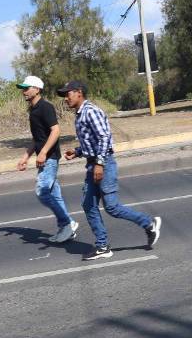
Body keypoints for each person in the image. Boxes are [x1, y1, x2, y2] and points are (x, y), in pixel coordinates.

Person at [58, 80, 161, 260]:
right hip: (93, 164)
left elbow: (105, 137)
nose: (66, 98)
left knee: (112, 207)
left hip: (103, 164)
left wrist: (99, 164)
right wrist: (77, 151)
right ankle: (103, 246)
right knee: (88, 205)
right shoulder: (81, 114)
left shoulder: (91, 111)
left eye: (68, 94)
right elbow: (94, 142)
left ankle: (149, 223)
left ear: (79, 92)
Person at [15, 75, 78, 243]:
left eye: (26, 88)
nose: (24, 92)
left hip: (49, 158)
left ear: (37, 89)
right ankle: (67, 227)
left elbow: (55, 131)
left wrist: (43, 153)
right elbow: (37, 138)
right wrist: (25, 156)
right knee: (54, 195)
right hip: (44, 157)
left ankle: (67, 223)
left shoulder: (45, 107)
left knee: (42, 192)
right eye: (23, 88)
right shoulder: (33, 110)